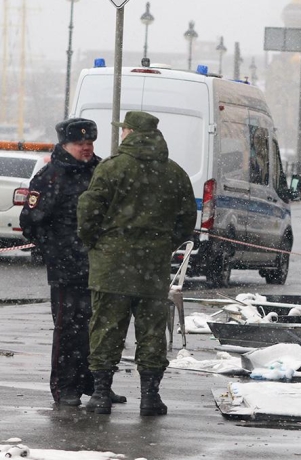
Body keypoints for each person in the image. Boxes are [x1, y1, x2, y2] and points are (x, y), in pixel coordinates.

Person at [77, 111, 196, 416]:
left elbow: (89, 211)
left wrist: (95, 244)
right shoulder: (174, 172)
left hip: (111, 266)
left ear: (129, 132)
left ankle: (101, 394)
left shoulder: (111, 168)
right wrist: (163, 245)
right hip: (152, 268)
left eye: (123, 130)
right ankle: (150, 396)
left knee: (105, 329)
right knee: (152, 332)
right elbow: (186, 221)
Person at [18, 118, 125, 407]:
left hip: (101, 265)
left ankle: (97, 384)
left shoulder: (102, 171)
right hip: (67, 267)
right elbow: (30, 221)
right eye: (80, 143)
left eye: (89, 142)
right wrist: (54, 249)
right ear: (65, 144)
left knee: (100, 328)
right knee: (68, 331)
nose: (86, 148)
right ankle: (66, 387)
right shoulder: (49, 177)